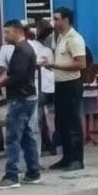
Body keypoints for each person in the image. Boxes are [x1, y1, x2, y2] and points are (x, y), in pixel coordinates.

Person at [0, 20, 43, 189]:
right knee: (28, 136)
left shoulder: (22, 50)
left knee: (13, 137)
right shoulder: (26, 48)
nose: (5, 36)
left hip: (20, 98)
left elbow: (17, 76)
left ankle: (11, 175)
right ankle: (33, 171)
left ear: (17, 32)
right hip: (28, 96)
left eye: (7, 32)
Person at [45, 6, 88, 172]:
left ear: (66, 20)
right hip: (60, 84)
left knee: (73, 123)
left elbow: (81, 63)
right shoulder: (60, 37)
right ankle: (67, 157)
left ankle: (77, 159)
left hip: (71, 84)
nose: (53, 22)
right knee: (61, 122)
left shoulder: (74, 39)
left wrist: (55, 65)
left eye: (56, 18)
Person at [27, 20, 57, 156]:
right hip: (48, 86)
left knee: (39, 117)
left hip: (40, 86)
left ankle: (46, 144)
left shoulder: (31, 46)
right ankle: (49, 144)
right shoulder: (47, 50)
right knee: (44, 117)